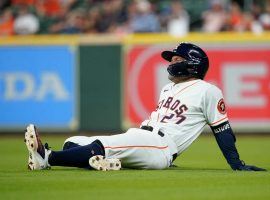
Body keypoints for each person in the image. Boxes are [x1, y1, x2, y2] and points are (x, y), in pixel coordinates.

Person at [24, 42, 266, 171]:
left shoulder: (208, 90)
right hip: (141, 137)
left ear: (192, 64)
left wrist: (237, 164)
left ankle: (46, 158)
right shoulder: (167, 89)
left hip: (160, 146)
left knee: (101, 145)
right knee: (73, 142)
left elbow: (222, 129)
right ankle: (102, 162)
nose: (171, 63)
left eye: (177, 59)